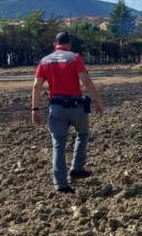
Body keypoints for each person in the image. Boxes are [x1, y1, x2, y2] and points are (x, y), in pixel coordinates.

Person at [31, 31, 104, 194]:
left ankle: (60, 184)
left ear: (54, 45)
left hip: (56, 108)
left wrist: (35, 109)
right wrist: (98, 101)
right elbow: (86, 81)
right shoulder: (75, 57)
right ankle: (77, 168)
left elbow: (36, 86)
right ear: (69, 44)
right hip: (76, 106)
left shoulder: (44, 61)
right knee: (83, 133)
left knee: (58, 145)